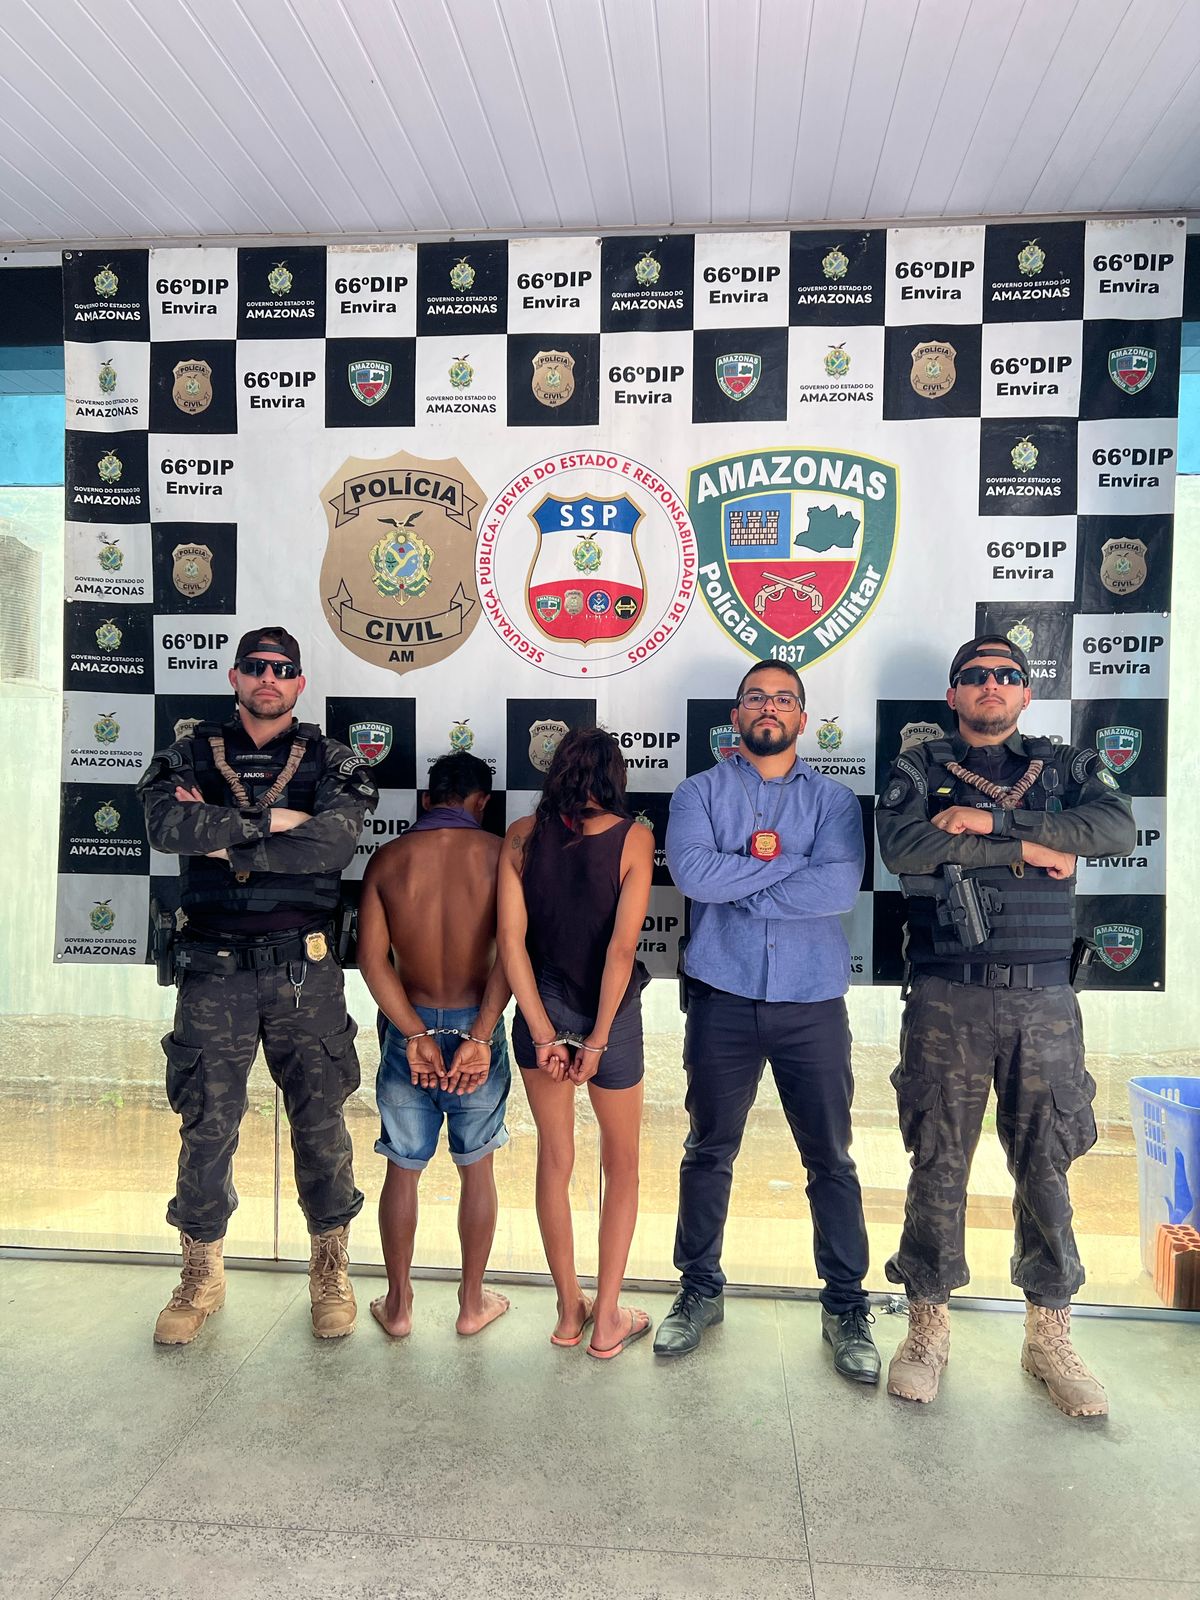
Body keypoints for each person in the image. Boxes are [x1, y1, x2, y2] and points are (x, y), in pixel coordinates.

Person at [875, 634, 1136, 1416]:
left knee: (1046, 1163)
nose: (991, 683)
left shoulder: (1066, 766)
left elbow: (1114, 830)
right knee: (937, 1162)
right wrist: (1036, 852)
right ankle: (926, 1331)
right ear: (953, 695)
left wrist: (989, 827)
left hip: (1043, 1001)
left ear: (1026, 693)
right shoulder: (919, 766)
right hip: (947, 997)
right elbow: (905, 848)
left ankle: (1048, 1337)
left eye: (1007, 675)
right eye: (975, 675)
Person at [139, 627, 378, 1345]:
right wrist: (274, 820)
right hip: (212, 970)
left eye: (282, 669)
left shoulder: (332, 758)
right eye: (255, 667)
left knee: (321, 1123)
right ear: (234, 676)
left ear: (300, 683)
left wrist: (220, 837)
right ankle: (201, 1275)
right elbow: (164, 824)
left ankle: (330, 1270)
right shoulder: (188, 751)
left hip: (304, 972)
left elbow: (334, 843)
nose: (267, 678)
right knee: (206, 1126)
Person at [660, 660, 879, 1383]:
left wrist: (743, 886)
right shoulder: (698, 792)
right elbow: (694, 876)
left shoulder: (835, 801)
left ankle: (846, 1305)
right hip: (721, 998)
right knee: (707, 1150)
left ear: (802, 718)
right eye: (756, 697)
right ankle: (699, 1290)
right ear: (737, 715)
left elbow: (838, 886)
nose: (769, 708)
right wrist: (791, 869)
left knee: (831, 1159)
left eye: (784, 699)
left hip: (812, 1003)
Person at [496, 728, 655, 1359]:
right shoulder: (634, 838)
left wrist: (542, 1032)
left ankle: (569, 1311)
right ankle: (608, 1317)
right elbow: (621, 950)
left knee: (554, 1161)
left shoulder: (520, 835)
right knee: (622, 1165)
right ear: (617, 776)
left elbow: (510, 944)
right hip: (610, 1019)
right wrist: (597, 1039)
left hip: (540, 1011)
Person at [357, 752, 512, 1338]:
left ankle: (399, 1307)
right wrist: (480, 1034)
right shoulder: (502, 856)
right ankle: (472, 1305)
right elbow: (515, 954)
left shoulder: (388, 859)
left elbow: (372, 961)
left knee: (402, 1167)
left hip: (409, 1025)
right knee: (478, 1167)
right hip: (478, 1025)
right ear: (482, 803)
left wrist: (414, 1033)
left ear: (426, 799)